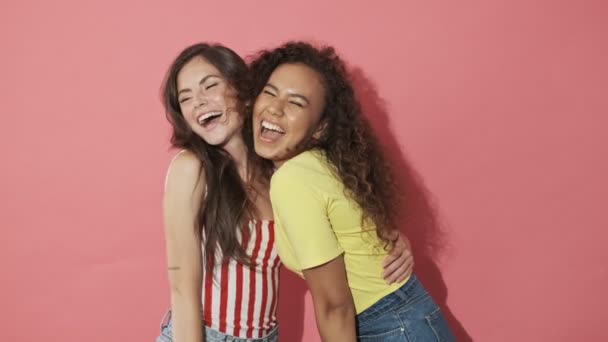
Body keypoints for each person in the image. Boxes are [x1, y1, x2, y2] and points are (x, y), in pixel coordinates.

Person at [156, 42, 414, 342]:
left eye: (209, 86)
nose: (198, 103)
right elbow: (182, 291)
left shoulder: (278, 171)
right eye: (185, 99)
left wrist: (391, 241)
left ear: (243, 87)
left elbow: (335, 224)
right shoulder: (191, 168)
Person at [249, 41, 455, 341]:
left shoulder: (293, 179)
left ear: (320, 128)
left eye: (296, 103)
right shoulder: (323, 165)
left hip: (389, 327)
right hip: (407, 318)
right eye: (269, 92)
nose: (275, 108)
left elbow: (335, 306)